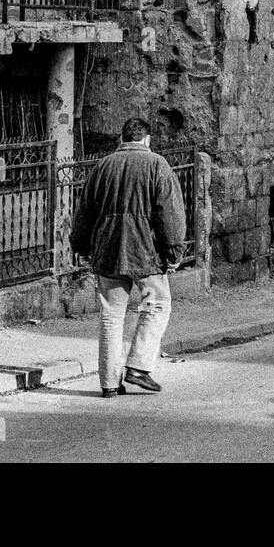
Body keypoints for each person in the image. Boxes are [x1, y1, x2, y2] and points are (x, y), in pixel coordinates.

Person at [70, 118, 187, 398]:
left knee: (111, 315)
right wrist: (174, 250)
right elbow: (169, 213)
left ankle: (109, 383)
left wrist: (82, 246)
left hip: (108, 249)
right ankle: (138, 366)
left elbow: (84, 212)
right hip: (145, 250)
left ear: (121, 139)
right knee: (157, 304)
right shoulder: (158, 165)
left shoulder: (102, 166)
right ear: (147, 139)